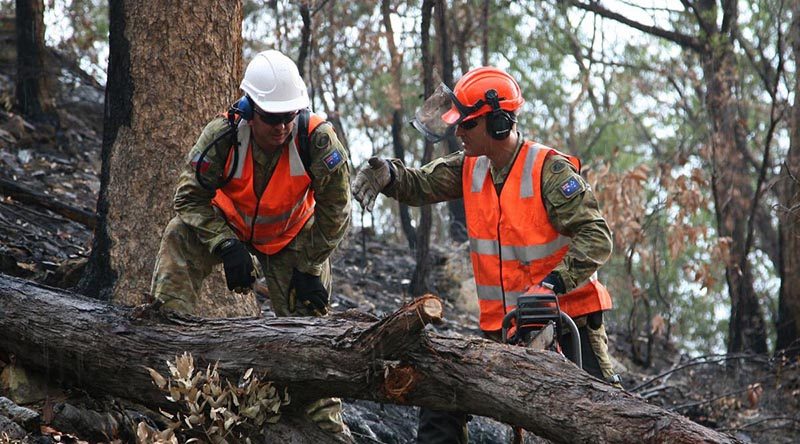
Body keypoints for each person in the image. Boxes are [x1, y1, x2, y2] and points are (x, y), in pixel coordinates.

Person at [352, 66, 620, 443]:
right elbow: (422, 182)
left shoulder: (549, 171)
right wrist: (389, 176)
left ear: (497, 124)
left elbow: (596, 236)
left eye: (467, 125)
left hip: (567, 320)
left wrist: (551, 285)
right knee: (439, 389)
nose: (459, 133)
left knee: (606, 419)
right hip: (504, 329)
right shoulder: (470, 166)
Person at [150, 49, 352, 439]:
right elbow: (187, 198)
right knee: (179, 234)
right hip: (231, 226)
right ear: (250, 108)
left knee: (312, 344)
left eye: (288, 117)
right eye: (271, 118)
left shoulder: (318, 140)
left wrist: (310, 269)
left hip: (293, 240)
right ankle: (165, 360)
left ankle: (327, 432)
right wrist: (226, 245)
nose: (281, 128)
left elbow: (336, 212)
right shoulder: (224, 136)